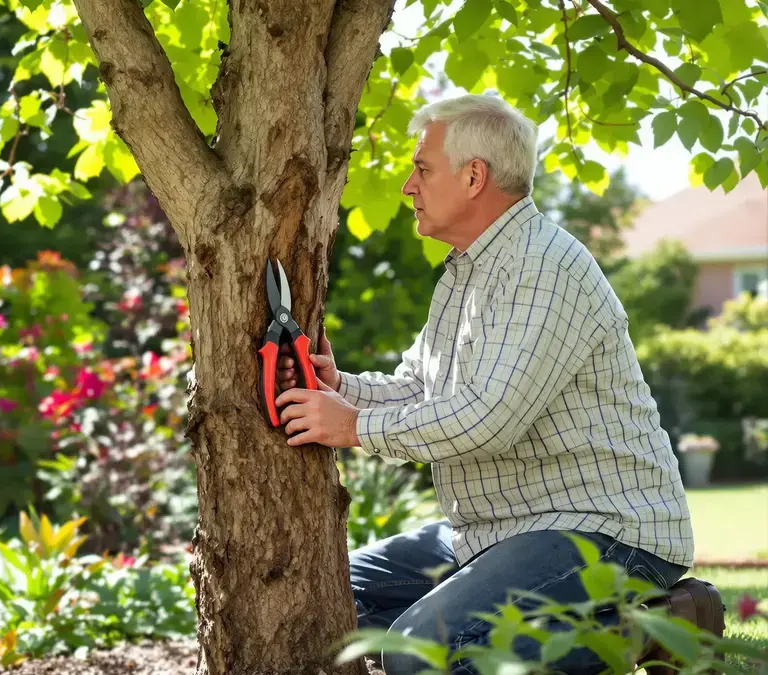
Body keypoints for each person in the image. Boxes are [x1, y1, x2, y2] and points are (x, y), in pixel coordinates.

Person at [272, 94, 701, 674]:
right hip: (493, 532)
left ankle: (655, 626)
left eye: (422, 169)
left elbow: (488, 419)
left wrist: (353, 427)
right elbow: (422, 388)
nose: (407, 186)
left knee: (420, 654)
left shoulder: (542, 266)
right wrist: (340, 389)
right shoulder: (465, 273)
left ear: (474, 177)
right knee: (332, 601)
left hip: (602, 530)